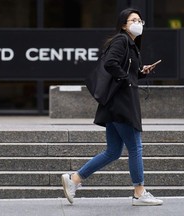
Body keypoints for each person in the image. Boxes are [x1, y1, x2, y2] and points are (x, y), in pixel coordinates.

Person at [61, 8, 163, 206]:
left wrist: (140, 73)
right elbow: (110, 64)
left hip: (115, 104)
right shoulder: (121, 40)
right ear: (124, 24)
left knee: (113, 151)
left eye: (140, 20)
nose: (138, 23)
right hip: (122, 104)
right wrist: (128, 81)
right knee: (135, 147)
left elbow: (123, 69)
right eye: (134, 20)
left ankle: (74, 179)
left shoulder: (131, 44)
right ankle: (139, 192)